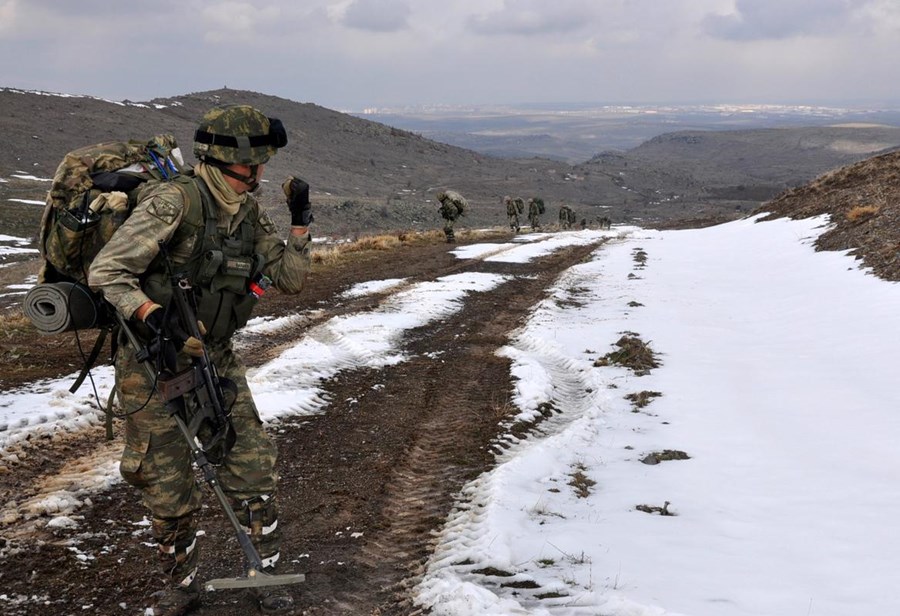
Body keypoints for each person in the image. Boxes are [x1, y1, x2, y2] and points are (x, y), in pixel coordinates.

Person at [88, 104, 313, 615]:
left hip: (214, 355)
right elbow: (108, 271)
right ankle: (182, 585)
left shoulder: (246, 210)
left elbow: (292, 278)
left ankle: (266, 575)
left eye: (261, 168)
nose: (257, 179)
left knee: (252, 466)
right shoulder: (174, 203)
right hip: (152, 360)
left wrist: (300, 222)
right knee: (165, 483)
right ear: (221, 160)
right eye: (250, 168)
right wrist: (151, 316)